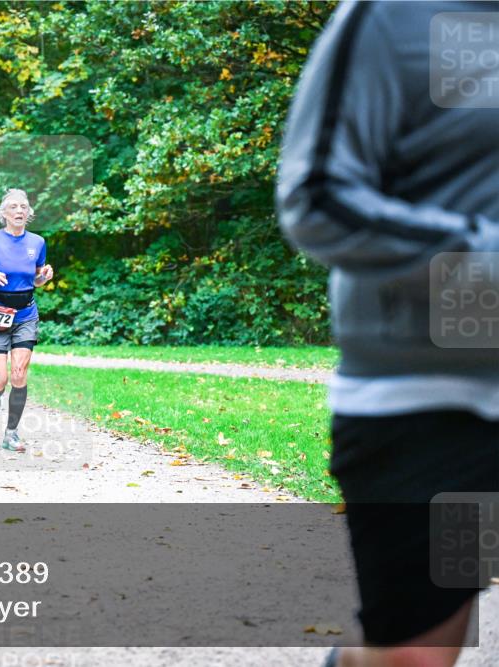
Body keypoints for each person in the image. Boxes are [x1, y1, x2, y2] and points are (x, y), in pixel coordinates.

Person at [277, 3, 498, 666]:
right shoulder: (393, 17)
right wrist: (484, 263)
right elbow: (316, 195)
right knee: (415, 658)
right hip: (433, 401)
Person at [0, 189, 54, 452]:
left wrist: (44, 277)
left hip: (26, 313)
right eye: (13, 207)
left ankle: (11, 434)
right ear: (3, 213)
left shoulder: (37, 242)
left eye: (24, 207)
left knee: (19, 374)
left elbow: (35, 279)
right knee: (0, 379)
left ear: (29, 213)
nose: (19, 211)